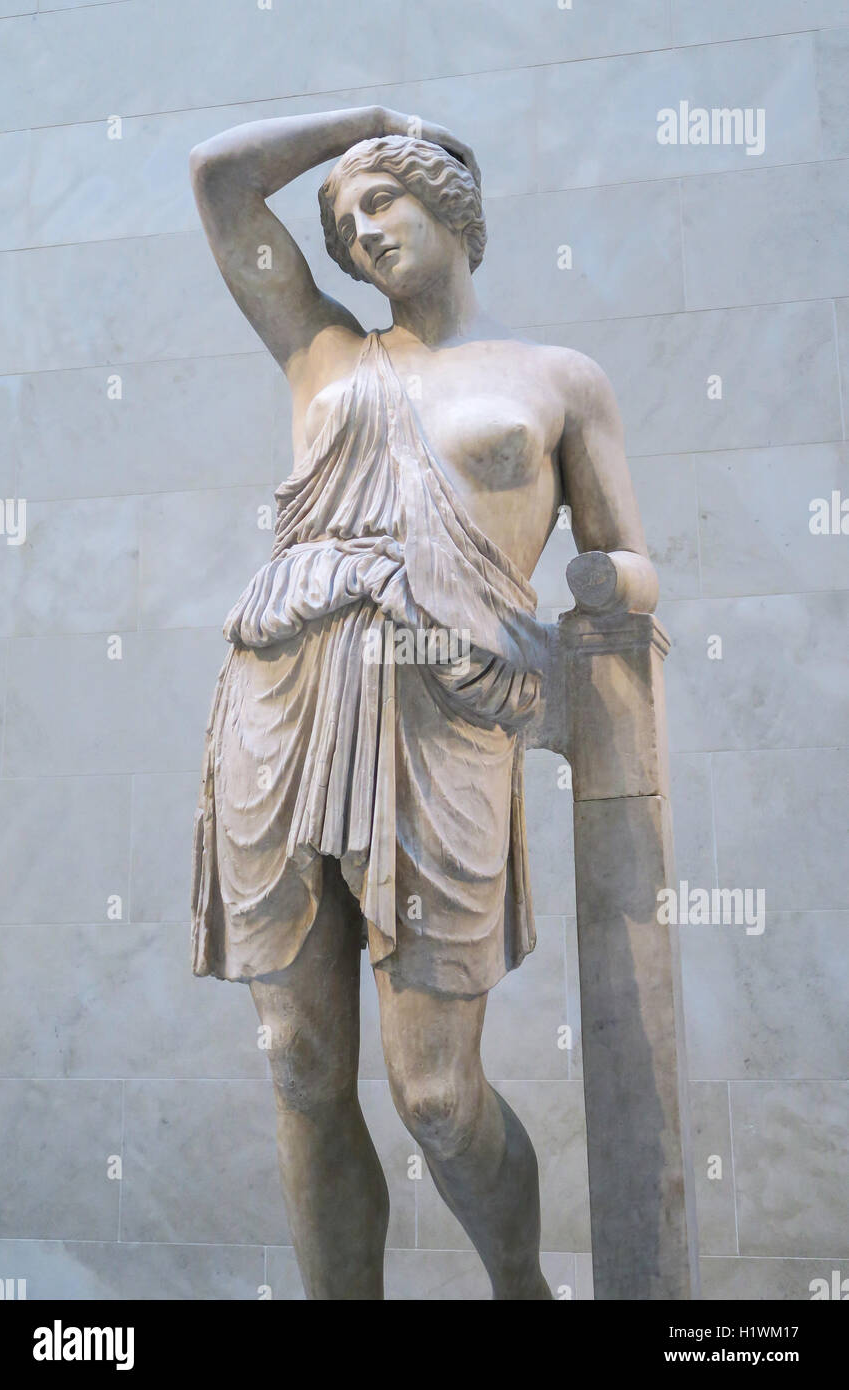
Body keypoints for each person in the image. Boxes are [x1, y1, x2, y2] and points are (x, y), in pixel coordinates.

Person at [188, 105, 651, 1300]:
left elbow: (619, 565)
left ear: (451, 204)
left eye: (381, 199)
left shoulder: (558, 381)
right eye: (342, 222)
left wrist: (610, 599)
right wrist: (366, 127)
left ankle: (518, 1285)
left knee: (436, 1098)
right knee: (295, 1058)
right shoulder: (325, 355)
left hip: (446, 719)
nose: (358, 231)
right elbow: (220, 182)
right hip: (283, 704)